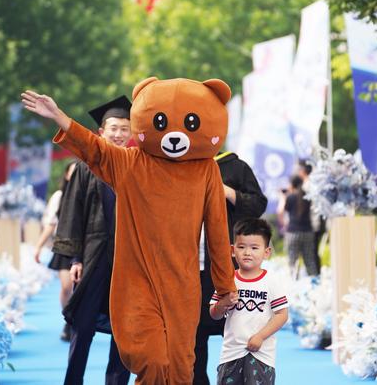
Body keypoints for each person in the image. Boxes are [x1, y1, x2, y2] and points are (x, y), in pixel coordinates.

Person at [21, 77, 237, 384]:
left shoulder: (206, 170)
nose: (175, 135)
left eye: (188, 123)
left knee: (179, 368)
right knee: (152, 360)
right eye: (162, 122)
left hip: (182, 286)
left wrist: (225, 285)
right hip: (137, 283)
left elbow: (217, 231)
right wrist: (61, 119)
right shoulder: (132, 162)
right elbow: (94, 150)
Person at [53, 96, 132, 385]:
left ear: (132, 133)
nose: (119, 134)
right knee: (83, 326)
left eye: (125, 129)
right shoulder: (86, 167)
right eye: (114, 128)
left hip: (129, 261)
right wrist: (75, 258)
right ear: (101, 132)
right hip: (94, 255)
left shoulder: (137, 166)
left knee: (124, 328)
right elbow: (73, 213)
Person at [194, 151, 267, 385]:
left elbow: (258, 204)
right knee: (193, 335)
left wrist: (227, 191)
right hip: (192, 266)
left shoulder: (234, 167)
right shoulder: (181, 165)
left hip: (229, 265)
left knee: (239, 328)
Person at [210, 218, 288, 385]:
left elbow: (282, 314)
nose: (247, 252)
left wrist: (260, 336)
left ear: (266, 252)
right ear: (232, 250)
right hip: (231, 354)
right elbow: (214, 314)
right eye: (241, 247)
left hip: (261, 355)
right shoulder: (227, 279)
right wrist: (224, 303)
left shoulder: (271, 280)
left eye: (254, 248)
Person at [33, 161, 76, 341]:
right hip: (64, 245)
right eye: (72, 173)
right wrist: (38, 246)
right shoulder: (59, 196)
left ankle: (78, 320)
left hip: (86, 246)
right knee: (67, 287)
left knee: (79, 288)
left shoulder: (89, 192)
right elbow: (51, 224)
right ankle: (69, 320)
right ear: (66, 175)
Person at [283, 174, 319, 276]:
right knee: (310, 261)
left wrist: (283, 197)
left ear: (291, 184)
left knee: (292, 261)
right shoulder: (307, 197)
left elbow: (281, 211)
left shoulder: (289, 197)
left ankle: (293, 285)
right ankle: (314, 283)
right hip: (308, 231)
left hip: (293, 232)